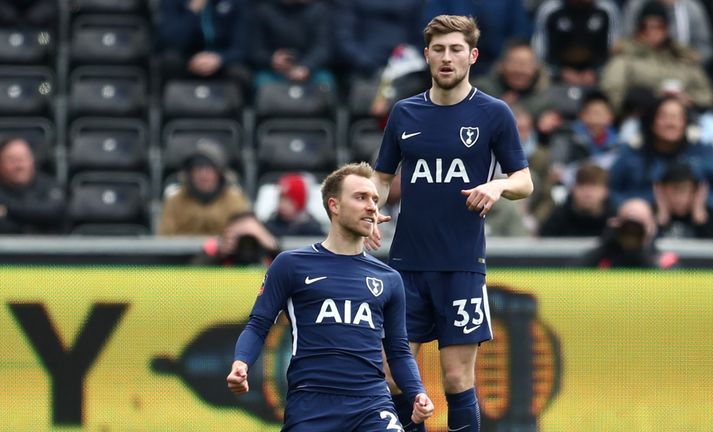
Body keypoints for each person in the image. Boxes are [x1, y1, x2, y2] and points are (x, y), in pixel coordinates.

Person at [369, 15, 534, 432]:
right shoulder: (405, 113)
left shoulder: (493, 113)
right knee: (392, 375)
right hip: (405, 265)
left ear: (472, 56)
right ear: (426, 56)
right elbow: (382, 176)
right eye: (438, 49)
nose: (447, 58)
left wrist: (497, 187)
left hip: (461, 266)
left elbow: (525, 180)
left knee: (458, 379)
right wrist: (368, 211)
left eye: (456, 49)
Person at [227, 162, 435, 431]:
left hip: (371, 404)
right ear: (334, 206)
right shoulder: (291, 265)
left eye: (374, 199)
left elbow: (398, 351)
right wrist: (241, 363)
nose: (372, 206)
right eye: (360, 197)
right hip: (312, 404)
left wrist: (417, 392)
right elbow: (258, 325)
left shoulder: (389, 279)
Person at [609, 96, 713, 215]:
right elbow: (610, 187)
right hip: (643, 222)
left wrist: (707, 205)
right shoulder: (633, 152)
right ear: (652, 122)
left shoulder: (702, 151)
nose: (671, 124)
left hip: (695, 222)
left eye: (677, 118)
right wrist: (632, 208)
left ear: (685, 123)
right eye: (664, 117)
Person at [600, 0, 713, 115]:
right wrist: (636, 106)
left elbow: (707, 95)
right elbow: (611, 91)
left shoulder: (682, 57)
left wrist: (689, 100)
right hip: (640, 117)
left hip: (683, 117)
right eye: (645, 26)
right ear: (638, 29)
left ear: (666, 29)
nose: (651, 31)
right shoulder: (625, 56)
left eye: (658, 26)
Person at [157, 141, 249, 236]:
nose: (203, 174)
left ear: (220, 173)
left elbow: (243, 238)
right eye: (198, 168)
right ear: (189, 174)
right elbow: (165, 238)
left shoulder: (235, 200)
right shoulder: (174, 202)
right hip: (183, 251)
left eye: (209, 168)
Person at [156, 0, 251, 90]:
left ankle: (236, 105)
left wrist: (220, 59)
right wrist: (193, 10)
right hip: (189, 60)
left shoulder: (237, 3)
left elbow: (242, 47)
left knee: (239, 71)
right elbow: (171, 42)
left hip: (222, 62)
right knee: (169, 61)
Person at [531, 0, 622, 86]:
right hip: (555, 73)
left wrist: (595, 72)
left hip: (598, 75)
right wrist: (559, 72)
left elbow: (614, 49)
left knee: (617, 72)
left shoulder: (607, 10)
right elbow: (539, 50)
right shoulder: (550, 10)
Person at [249, 0, 334, 89]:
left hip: (309, 67)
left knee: (325, 81)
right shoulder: (263, 10)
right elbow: (255, 50)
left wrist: (306, 66)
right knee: (262, 82)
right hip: (273, 70)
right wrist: (271, 59)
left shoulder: (318, 10)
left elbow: (323, 48)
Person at [579, 198, 679, 268]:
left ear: (652, 227)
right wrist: (605, 243)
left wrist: (643, 251)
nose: (633, 230)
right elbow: (573, 277)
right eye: (627, 224)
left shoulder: (663, 262)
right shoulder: (601, 261)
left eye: (640, 224)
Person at [0, 137, 65, 234]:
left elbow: (54, 213)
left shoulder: (49, 185)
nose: (19, 166)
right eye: (12, 160)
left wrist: (8, 210)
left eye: (23, 159)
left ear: (32, 160)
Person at [539, 163, 615, 237]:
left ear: (605, 191)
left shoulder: (614, 221)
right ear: (573, 189)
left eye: (594, 187)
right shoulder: (558, 218)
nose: (588, 193)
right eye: (582, 186)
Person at [653, 161, 713, 239]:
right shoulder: (651, 214)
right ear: (662, 190)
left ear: (695, 191)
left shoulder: (710, 215)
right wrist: (661, 220)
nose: (679, 198)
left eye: (684, 191)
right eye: (674, 191)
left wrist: (700, 217)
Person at [191, 211, 279, 266]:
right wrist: (219, 252)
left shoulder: (270, 257)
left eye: (251, 236)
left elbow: (288, 276)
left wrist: (273, 248)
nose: (246, 243)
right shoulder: (223, 256)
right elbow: (193, 275)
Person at [264, 173, 326, 237]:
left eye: (288, 201)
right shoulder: (271, 225)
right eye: (280, 200)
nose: (282, 205)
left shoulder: (313, 228)